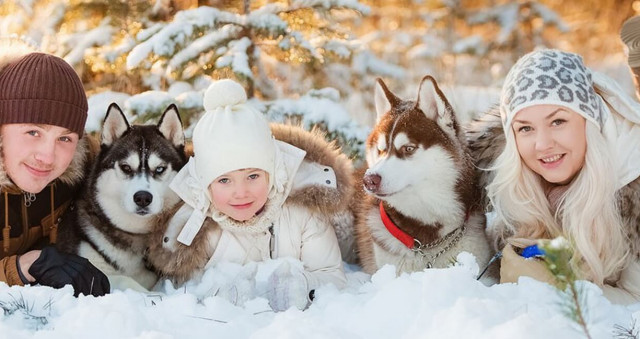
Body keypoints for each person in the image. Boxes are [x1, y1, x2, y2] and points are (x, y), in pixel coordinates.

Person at [148, 79, 351, 311]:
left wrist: (302, 286)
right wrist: (220, 293)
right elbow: (182, 289)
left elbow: (331, 275)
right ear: (205, 185)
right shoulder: (195, 229)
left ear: (272, 172)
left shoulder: (303, 213)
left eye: (253, 176)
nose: (241, 192)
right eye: (224, 180)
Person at [487, 49, 640, 305]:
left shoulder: (633, 189)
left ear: (590, 121)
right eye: (525, 128)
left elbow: (636, 305)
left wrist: (553, 289)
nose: (542, 144)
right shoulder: (517, 185)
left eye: (558, 121)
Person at [0, 38, 109, 297]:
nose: (48, 158)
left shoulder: (80, 165)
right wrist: (22, 267)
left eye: (65, 138)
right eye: (33, 132)